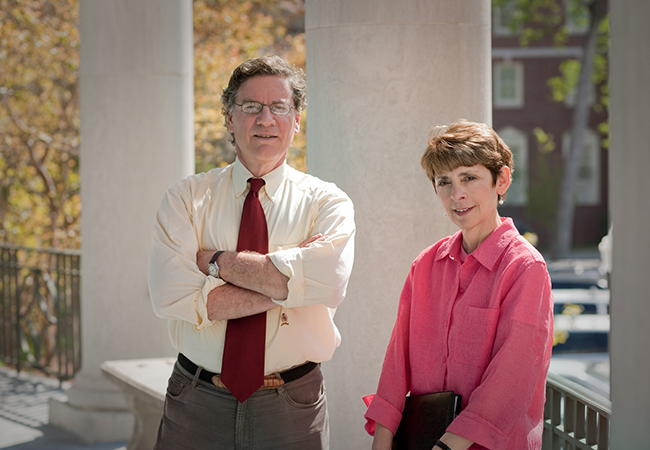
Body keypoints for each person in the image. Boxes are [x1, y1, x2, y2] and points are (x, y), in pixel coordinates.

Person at [148, 55, 355, 449]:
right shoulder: (185, 199)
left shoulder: (328, 202)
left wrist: (216, 263)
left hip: (292, 404)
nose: (265, 119)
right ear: (229, 118)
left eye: (279, 107)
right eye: (251, 107)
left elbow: (328, 284)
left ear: (296, 122)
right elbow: (171, 295)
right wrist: (292, 280)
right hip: (196, 400)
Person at [364, 119, 553, 450]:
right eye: (444, 182)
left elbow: (511, 378)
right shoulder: (425, 264)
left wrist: (445, 448)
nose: (457, 194)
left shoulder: (525, 268)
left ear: (502, 180)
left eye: (469, 177)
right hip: (420, 440)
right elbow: (397, 363)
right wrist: (381, 441)